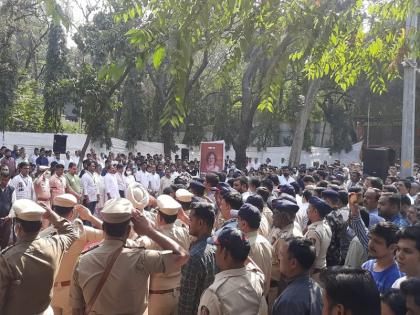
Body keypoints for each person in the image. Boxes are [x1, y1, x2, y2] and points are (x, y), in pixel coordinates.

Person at [70, 198, 189, 314]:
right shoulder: (142, 258)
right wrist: (148, 230)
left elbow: (77, 309)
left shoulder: (82, 260)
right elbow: (182, 255)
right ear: (128, 230)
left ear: (104, 229)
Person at [0, 199, 77, 314]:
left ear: (18, 228)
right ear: (41, 225)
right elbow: (71, 232)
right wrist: (51, 215)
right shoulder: (53, 245)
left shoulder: (7, 259)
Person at [39, 194, 103, 315]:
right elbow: (110, 233)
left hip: (50, 292)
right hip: (73, 293)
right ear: (73, 212)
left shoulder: (43, 235)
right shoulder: (81, 231)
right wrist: (90, 217)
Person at [198, 227, 265, 315]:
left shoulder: (214, 295)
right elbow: (257, 270)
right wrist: (242, 253)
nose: (215, 252)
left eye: (217, 247)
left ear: (225, 252)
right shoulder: (256, 277)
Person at [144, 195, 190, 315]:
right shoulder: (184, 232)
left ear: (159, 217)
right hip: (178, 291)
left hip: (158, 295)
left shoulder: (154, 237)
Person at [178, 202, 216, 315]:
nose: (188, 223)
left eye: (190, 219)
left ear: (200, 223)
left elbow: (186, 300)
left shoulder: (194, 257)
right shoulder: (218, 246)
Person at [272, 237, 323, 315]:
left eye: (281, 255)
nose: (278, 258)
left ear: (293, 263)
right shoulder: (317, 288)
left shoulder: (288, 302)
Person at [236, 203, 272, 297]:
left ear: (244, 224)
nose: (237, 223)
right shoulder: (266, 242)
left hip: (249, 301)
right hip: (263, 299)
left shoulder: (245, 246)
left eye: (238, 220)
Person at [362, 222, 403, 293]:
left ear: (392, 247)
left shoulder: (395, 277)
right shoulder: (366, 265)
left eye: (377, 242)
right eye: (370, 238)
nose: (371, 244)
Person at [305, 196, 332, 276]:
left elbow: (312, 258)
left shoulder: (314, 232)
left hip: (314, 274)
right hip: (321, 269)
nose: (307, 210)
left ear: (315, 212)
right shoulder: (325, 225)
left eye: (309, 208)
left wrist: (307, 278)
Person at [0, 171, 15, 249]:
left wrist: (9, 216)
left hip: (7, 219)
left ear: (9, 179)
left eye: (6, 180)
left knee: (5, 238)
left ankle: (3, 257)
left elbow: (14, 205)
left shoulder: (12, 189)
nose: (4, 182)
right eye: (2, 179)